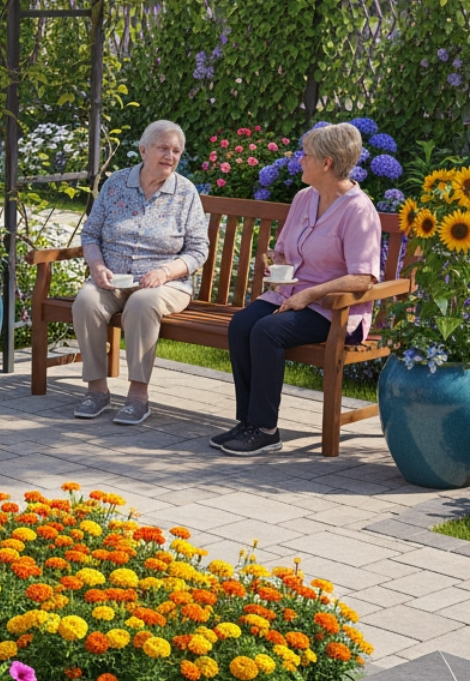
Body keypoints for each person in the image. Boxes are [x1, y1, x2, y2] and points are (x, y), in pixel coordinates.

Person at [218, 122, 382, 456]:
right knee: (241, 324)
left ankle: (265, 429)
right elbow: (284, 251)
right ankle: (248, 422)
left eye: (306, 155)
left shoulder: (359, 210)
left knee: (267, 332)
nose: (299, 161)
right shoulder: (304, 197)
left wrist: (310, 294)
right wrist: (276, 260)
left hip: (333, 308)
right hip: (290, 295)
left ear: (327, 163)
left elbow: (364, 278)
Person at [72, 119, 209, 425]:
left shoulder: (185, 193)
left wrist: (164, 272)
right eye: (163, 148)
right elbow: (91, 234)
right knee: (86, 301)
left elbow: (199, 250)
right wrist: (97, 267)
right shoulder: (117, 183)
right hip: (114, 278)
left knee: (141, 303)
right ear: (143, 150)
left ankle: (138, 397)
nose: (170, 156)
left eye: (176, 150)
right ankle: (97, 390)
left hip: (166, 284)